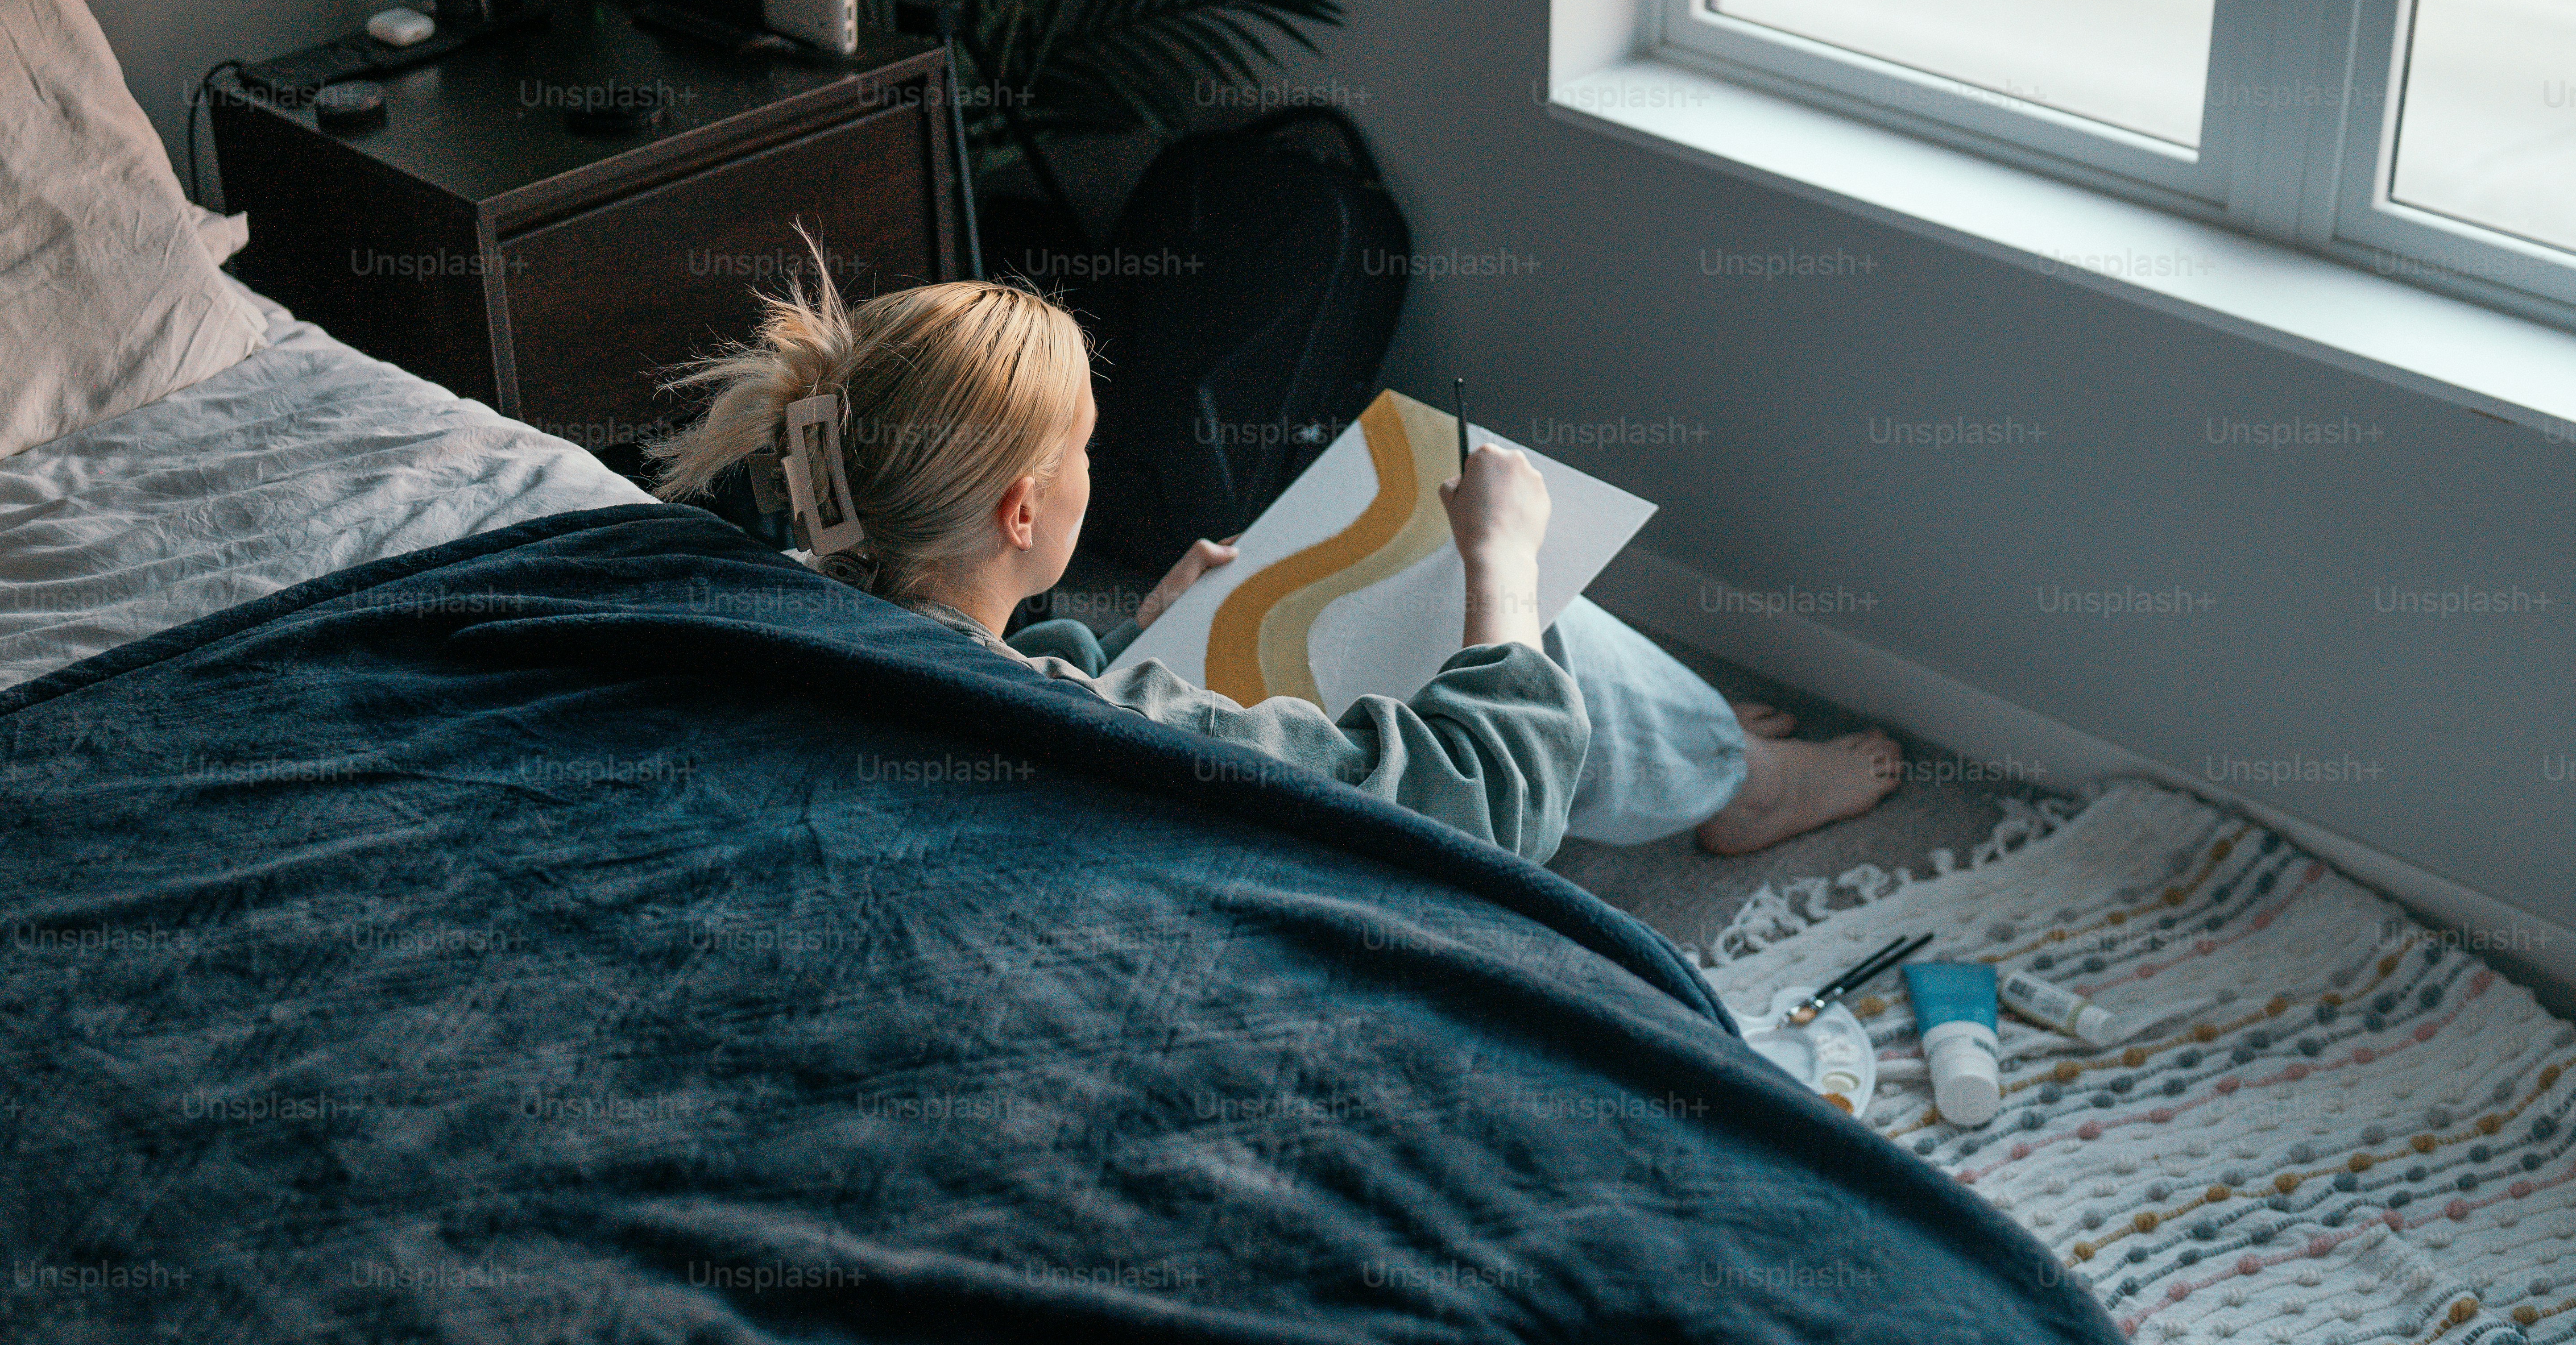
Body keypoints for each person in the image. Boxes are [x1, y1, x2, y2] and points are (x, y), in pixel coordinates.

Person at [647, 240, 1900, 868]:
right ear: (1023, 515)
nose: (1100, 463)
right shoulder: (1121, 731)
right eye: (1086, 446)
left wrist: (1138, 642)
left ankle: (1703, 753)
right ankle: (1734, 782)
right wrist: (1504, 565)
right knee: (1508, 622)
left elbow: (1000, 683)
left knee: (1378, 601)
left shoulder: (807, 595)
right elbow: (1484, 798)